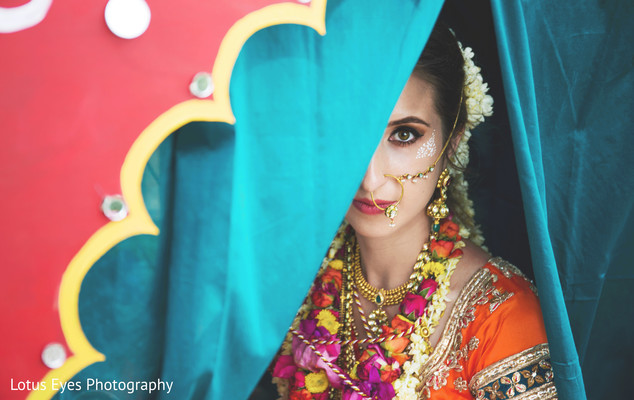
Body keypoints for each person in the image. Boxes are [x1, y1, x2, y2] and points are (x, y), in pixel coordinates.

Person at [270, 22, 557, 400]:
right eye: (347, 134)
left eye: (404, 134)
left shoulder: (500, 317)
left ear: (451, 144)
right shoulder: (297, 279)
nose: (370, 179)